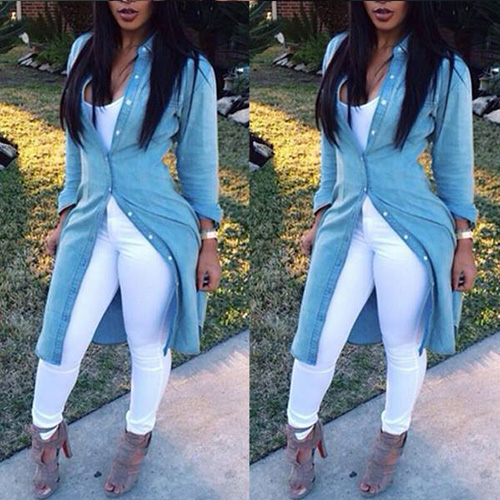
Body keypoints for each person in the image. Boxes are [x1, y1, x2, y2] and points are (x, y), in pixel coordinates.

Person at [28, 1, 222, 498]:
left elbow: (198, 167)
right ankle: (45, 435)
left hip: (154, 230)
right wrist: (66, 212)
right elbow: (76, 149)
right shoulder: (83, 51)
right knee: (62, 339)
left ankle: (137, 438)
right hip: (90, 226)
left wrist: (209, 243)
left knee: (147, 345)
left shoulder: (189, 69)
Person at [284, 1, 477, 498]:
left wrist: (464, 243)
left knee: (402, 345)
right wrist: (321, 212)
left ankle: (392, 438)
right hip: (346, 226)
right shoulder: (339, 51)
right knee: (317, 339)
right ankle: (300, 435)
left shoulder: (444, 69)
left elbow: (453, 166)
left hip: (409, 230)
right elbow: (331, 149)